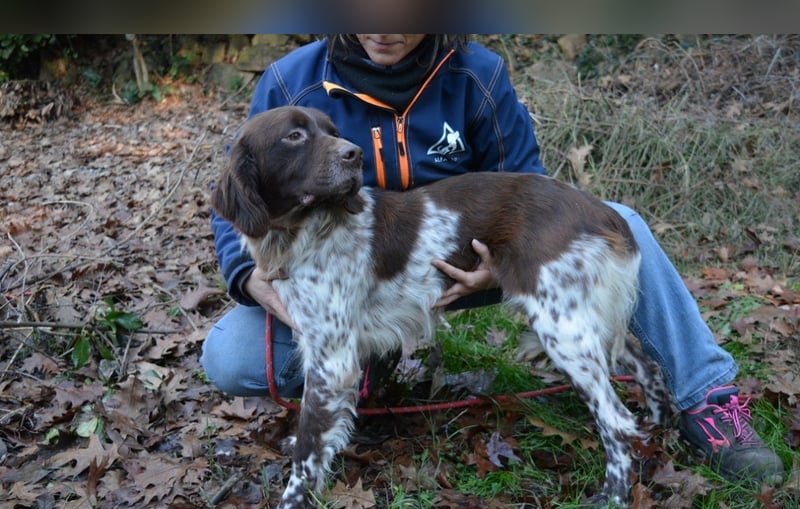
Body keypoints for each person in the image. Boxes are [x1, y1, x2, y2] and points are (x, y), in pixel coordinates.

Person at [201, 34, 783, 485]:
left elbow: (531, 186)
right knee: (230, 356)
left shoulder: (476, 73)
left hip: (475, 261)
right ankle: (367, 361)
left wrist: (498, 267)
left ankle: (706, 397)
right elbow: (240, 199)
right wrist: (249, 277)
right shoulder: (291, 81)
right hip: (335, 286)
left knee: (621, 219)